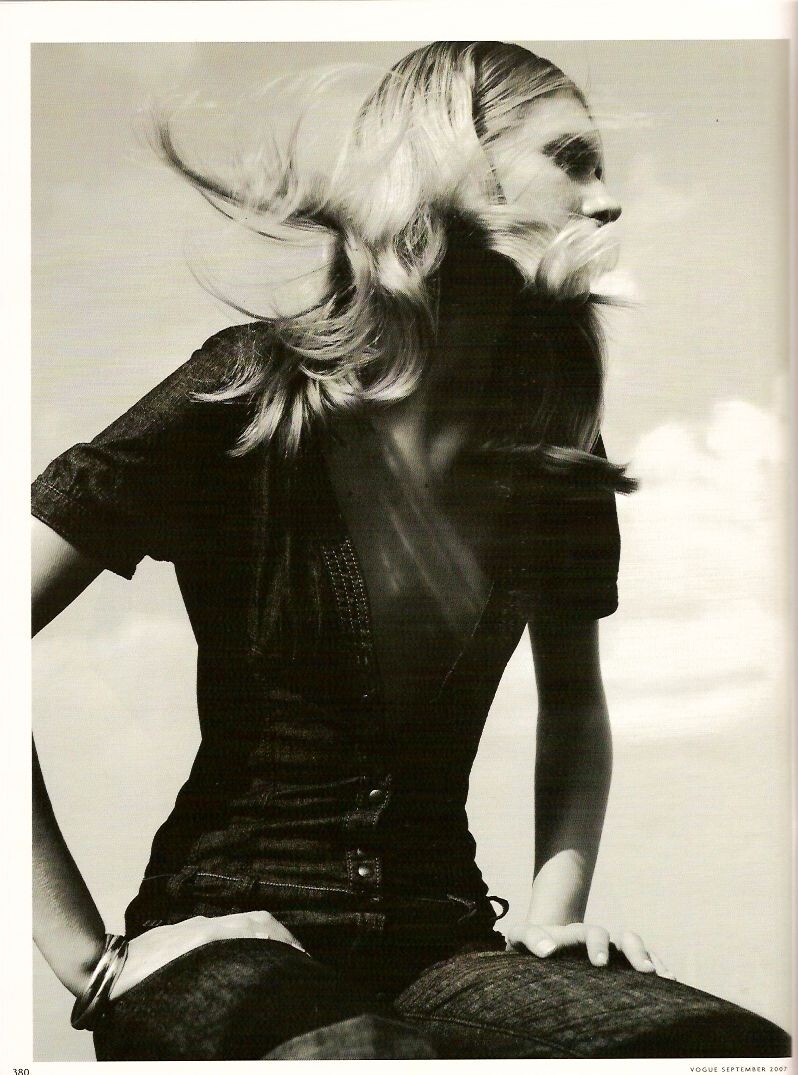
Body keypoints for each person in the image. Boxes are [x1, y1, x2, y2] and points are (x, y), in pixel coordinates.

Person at [31, 41, 790, 1060]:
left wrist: (556, 912)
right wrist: (93, 961)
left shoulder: (555, 443)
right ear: (450, 163)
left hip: (443, 936)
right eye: (571, 158)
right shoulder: (250, 392)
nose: (606, 201)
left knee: (724, 1048)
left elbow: (574, 701)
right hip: (225, 929)